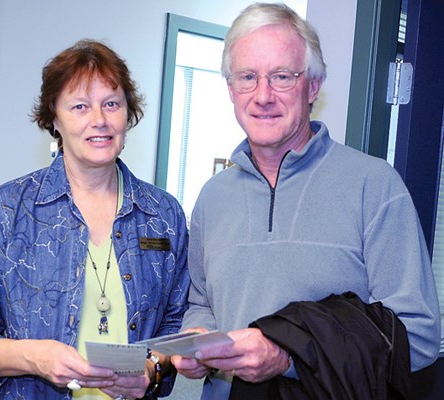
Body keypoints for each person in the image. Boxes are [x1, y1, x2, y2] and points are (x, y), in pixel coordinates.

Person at [172, 3, 441, 399]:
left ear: (313, 86)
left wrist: (289, 356)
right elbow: (201, 304)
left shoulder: (374, 185)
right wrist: (196, 340)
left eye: (281, 76)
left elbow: (416, 338)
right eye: (247, 77)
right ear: (231, 89)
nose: (262, 96)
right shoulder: (213, 197)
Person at [0, 39, 190, 400]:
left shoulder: (163, 215)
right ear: (54, 119)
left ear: (128, 113)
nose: (99, 120)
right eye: (79, 106)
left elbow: (177, 323)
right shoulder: (10, 208)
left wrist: (152, 368)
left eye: (111, 104)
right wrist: (33, 358)